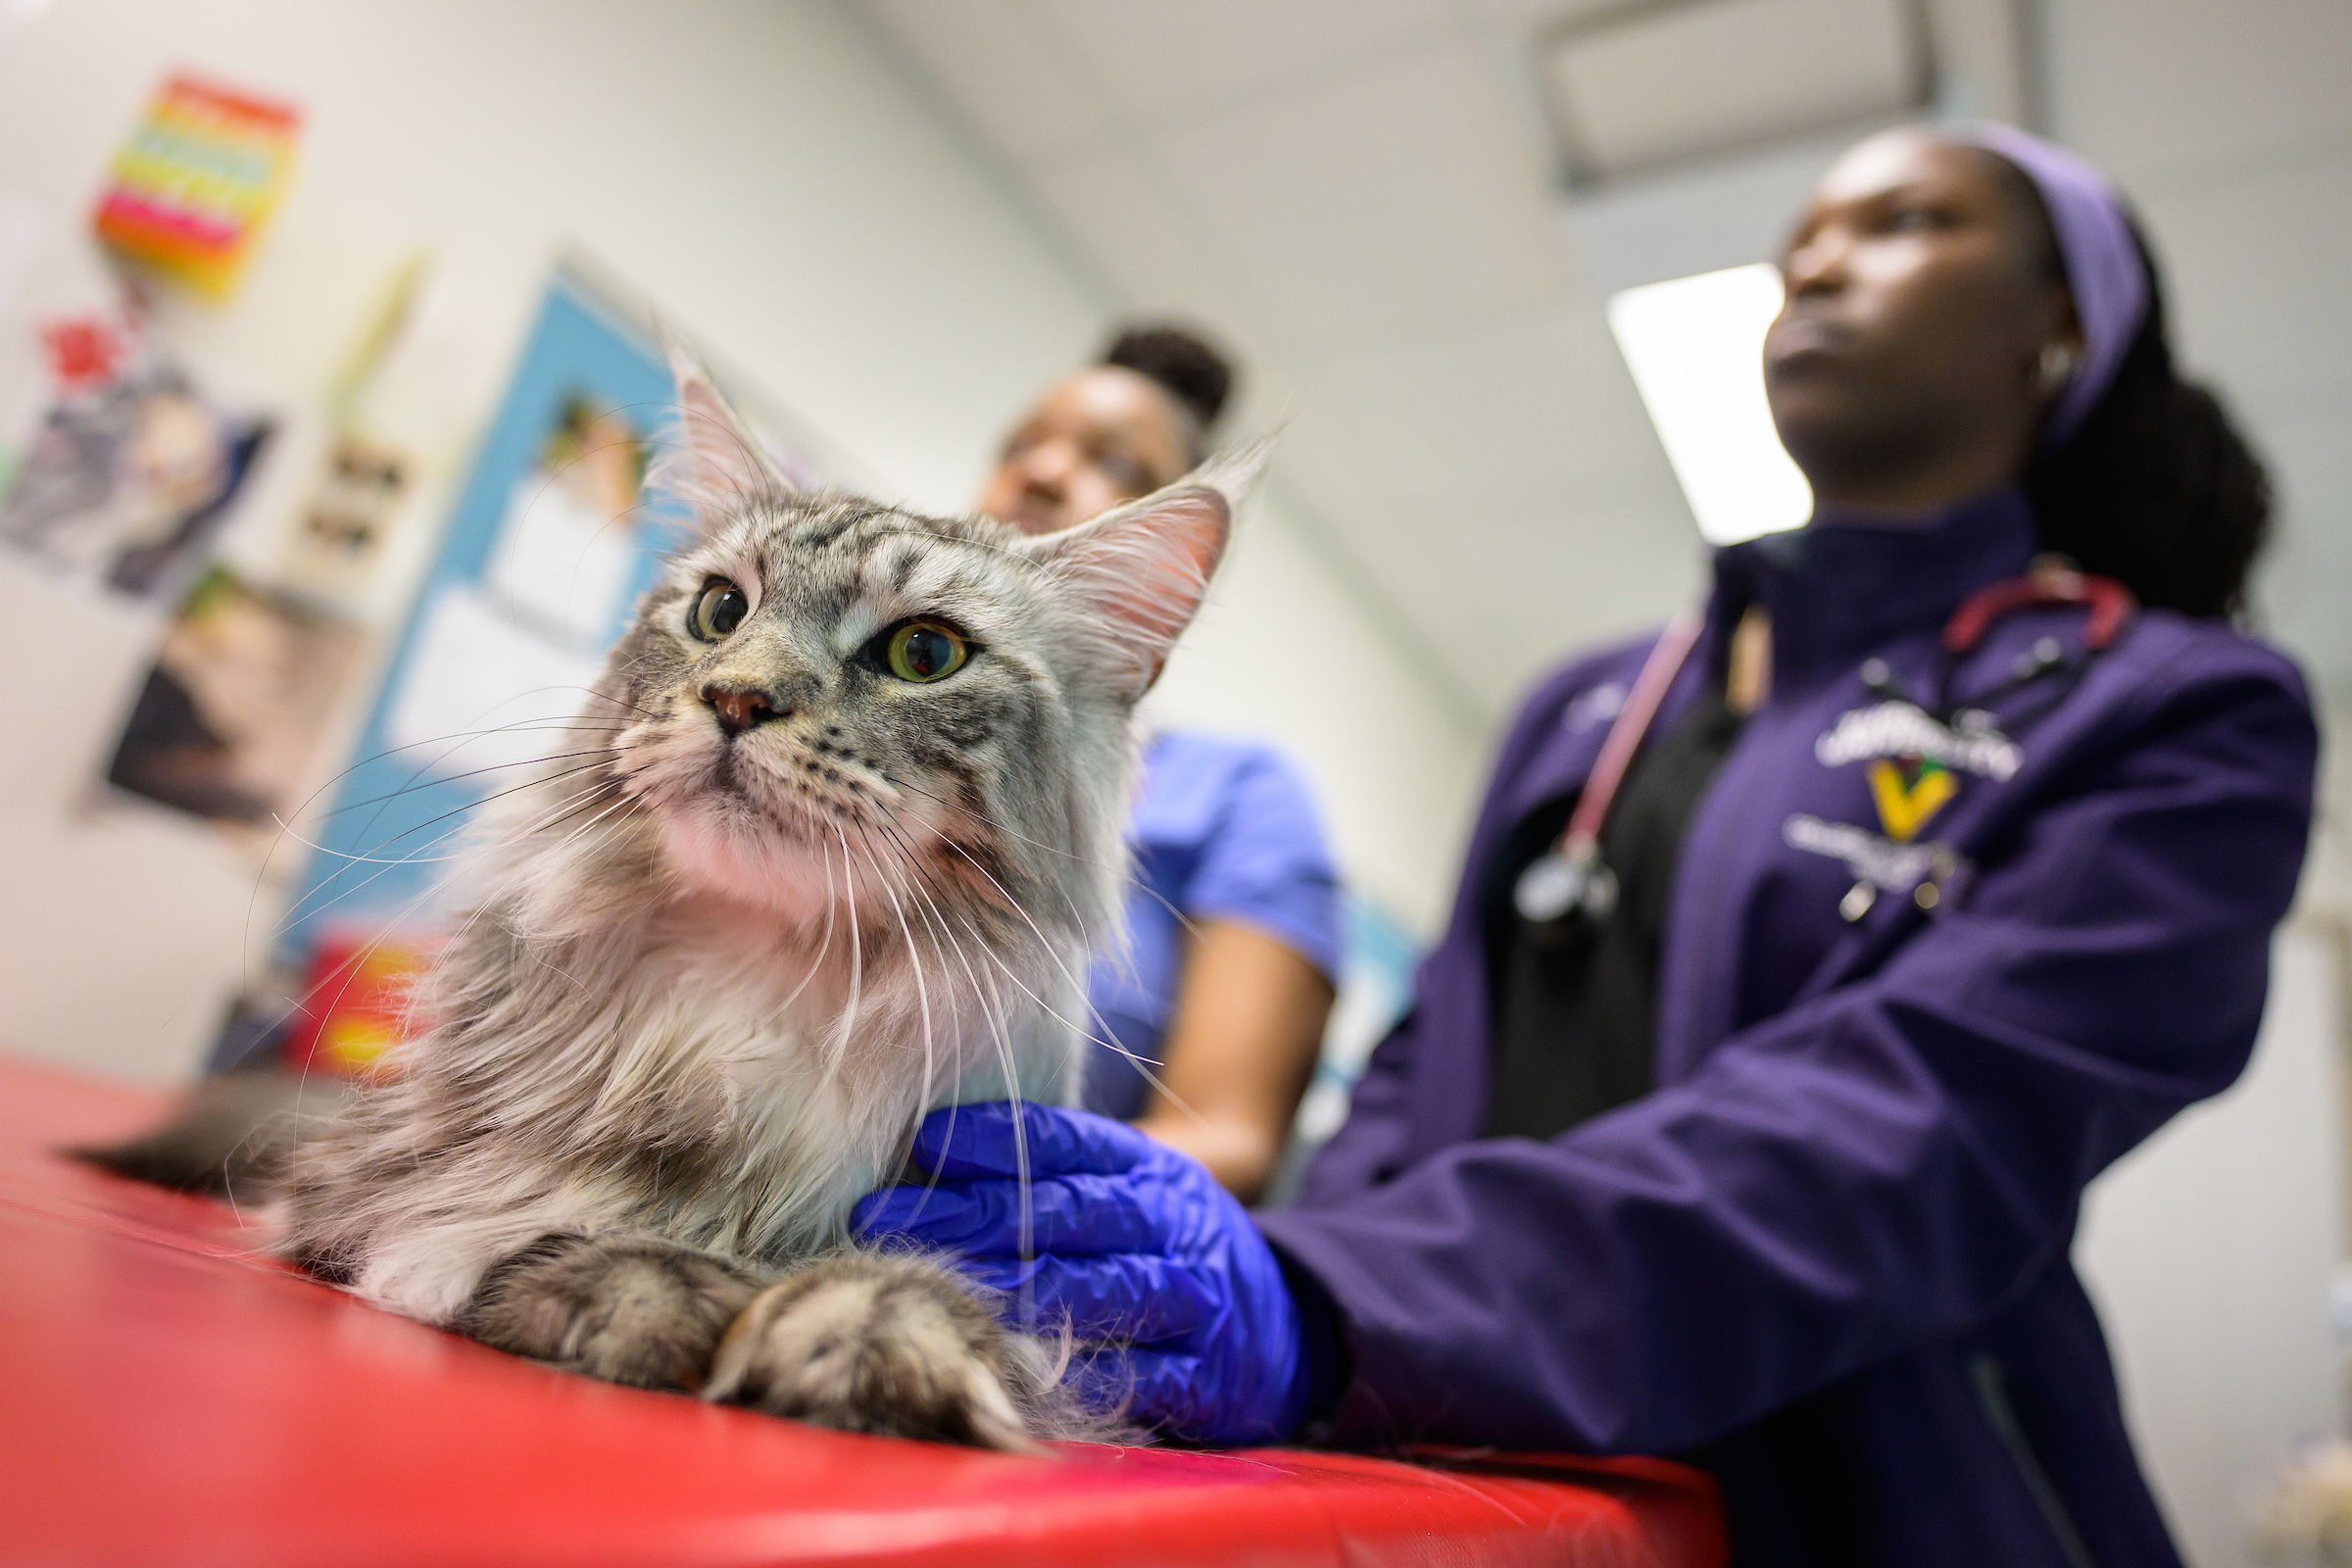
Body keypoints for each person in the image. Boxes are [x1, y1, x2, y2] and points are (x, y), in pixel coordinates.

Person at [858, 124, 2318, 1565]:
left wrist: (1335, 1298)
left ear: (2057, 325)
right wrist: (1303, 1329)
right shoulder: (1591, 708)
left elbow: (1906, 1137)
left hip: (1881, 1500)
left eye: (1905, 224)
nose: (1812, 261)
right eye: (1801, 232)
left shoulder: (2179, 713)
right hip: (1486, 1481)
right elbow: (1423, 1081)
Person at [976, 325, 1343, 1203]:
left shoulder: (1236, 796)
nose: (1041, 471)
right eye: (1021, 445)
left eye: (1115, 465)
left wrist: (987, 1201)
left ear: (1177, 561)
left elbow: (1226, 1137)